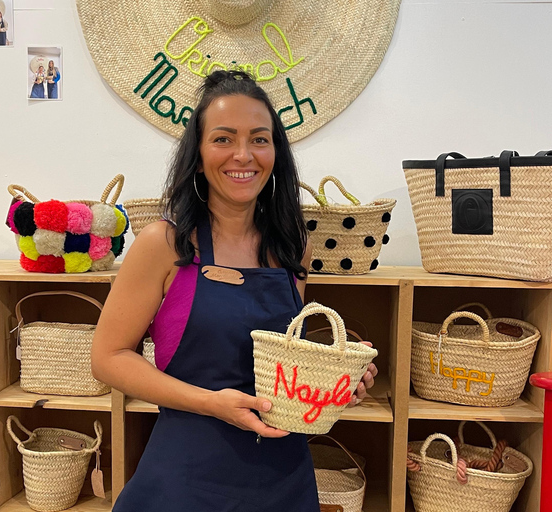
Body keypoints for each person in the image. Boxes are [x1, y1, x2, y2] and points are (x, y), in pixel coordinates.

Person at [91, 70, 378, 511]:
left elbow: (281, 361)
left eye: (259, 139)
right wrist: (211, 403)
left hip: (283, 480)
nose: (243, 155)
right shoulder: (164, 245)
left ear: (276, 152)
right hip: (186, 481)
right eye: (223, 139)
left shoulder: (292, 246)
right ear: (199, 152)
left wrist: (334, 383)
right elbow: (107, 358)